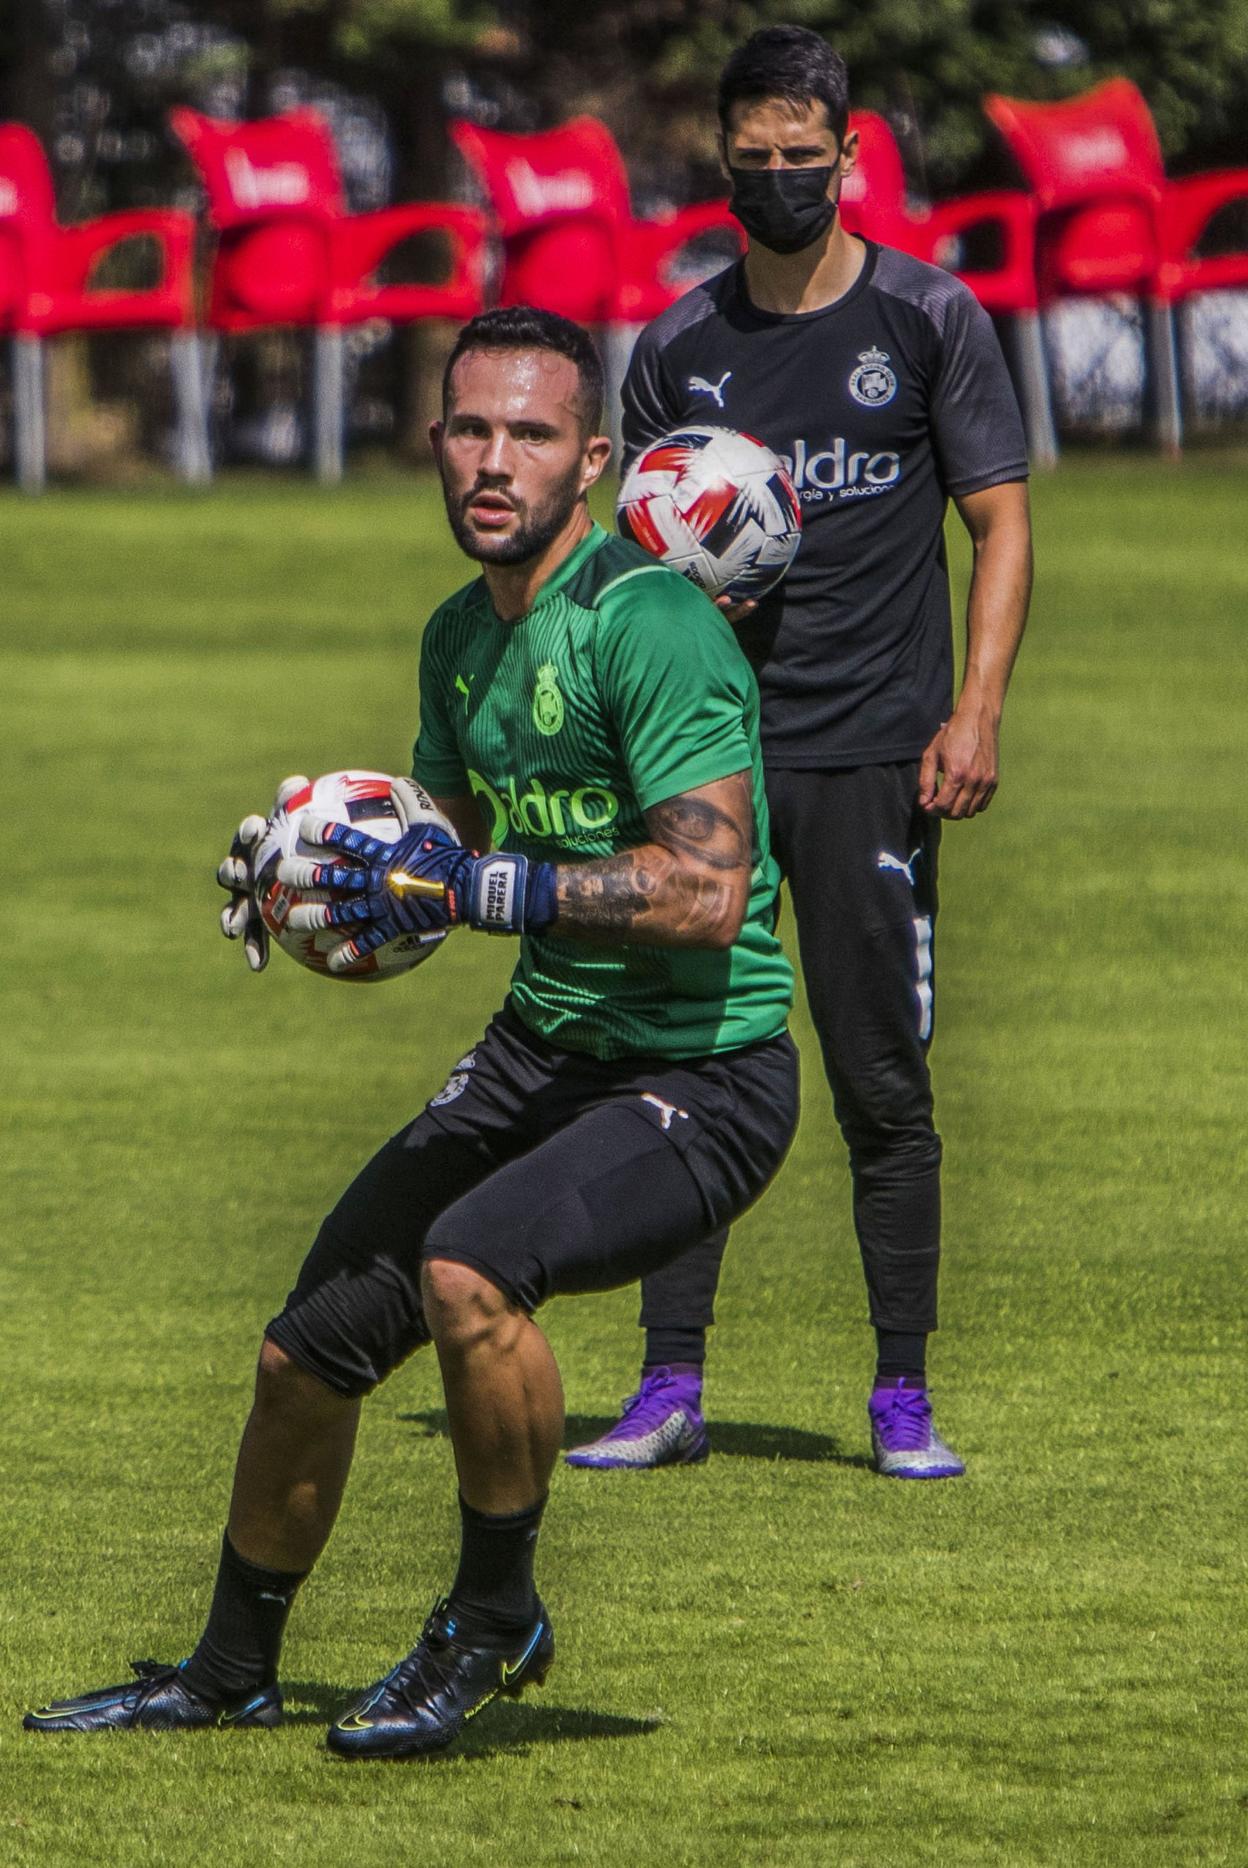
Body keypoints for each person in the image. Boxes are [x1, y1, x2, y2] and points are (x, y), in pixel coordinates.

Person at [23, 307, 798, 1758]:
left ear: (593, 461)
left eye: (531, 434)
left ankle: (494, 1618)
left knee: (469, 1272)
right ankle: (228, 1667)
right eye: (469, 429)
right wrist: (313, 876)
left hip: (704, 1074)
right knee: (305, 1353)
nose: (493, 461)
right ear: (436, 442)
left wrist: (501, 884)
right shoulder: (459, 636)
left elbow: (705, 887)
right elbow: (437, 856)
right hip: (542, 1051)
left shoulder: (655, 623)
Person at [566, 26, 1033, 1479]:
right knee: (682, 1058)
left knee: (879, 1081)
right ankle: (668, 1387)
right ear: (723, 165)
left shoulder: (927, 320)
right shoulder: (683, 349)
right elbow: (629, 563)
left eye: (802, 162)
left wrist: (977, 711)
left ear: (850, 156)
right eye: (752, 164)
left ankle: (901, 1395)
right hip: (704, 763)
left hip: (875, 758)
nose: (778, 184)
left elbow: (1001, 522)